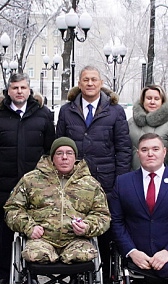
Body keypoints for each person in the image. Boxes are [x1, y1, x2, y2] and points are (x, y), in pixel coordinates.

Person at [0, 73, 56, 284]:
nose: (19, 91)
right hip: (5, 185)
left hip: (36, 186)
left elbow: (50, 151)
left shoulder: (43, 115)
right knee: (5, 232)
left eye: (23, 87)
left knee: (35, 232)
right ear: (8, 91)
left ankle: (33, 273)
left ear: (29, 90)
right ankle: (3, 275)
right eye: (15, 88)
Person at [109, 133, 168, 284]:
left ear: (164, 152)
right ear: (138, 154)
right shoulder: (123, 182)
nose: (150, 154)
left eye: (155, 149)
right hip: (135, 253)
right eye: (145, 150)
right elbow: (116, 221)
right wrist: (132, 251)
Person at [4, 137, 111, 264]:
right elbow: (12, 209)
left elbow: (102, 215)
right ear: (52, 157)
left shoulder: (90, 183)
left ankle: (74, 277)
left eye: (69, 153)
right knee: (33, 254)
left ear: (75, 157)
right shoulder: (30, 180)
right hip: (41, 240)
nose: (64, 157)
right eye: (59, 153)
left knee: (85, 254)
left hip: (76, 240)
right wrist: (28, 227)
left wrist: (87, 227)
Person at [55, 66, 131, 194]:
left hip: (105, 181)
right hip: (73, 180)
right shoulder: (66, 111)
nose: (90, 83)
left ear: (101, 83)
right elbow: (58, 145)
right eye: (86, 80)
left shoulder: (115, 111)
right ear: (79, 84)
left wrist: (120, 181)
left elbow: (123, 149)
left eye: (94, 79)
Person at [127, 85, 168, 170]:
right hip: (134, 175)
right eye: (149, 98)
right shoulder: (131, 123)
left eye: (157, 99)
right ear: (143, 100)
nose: (152, 102)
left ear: (162, 101)